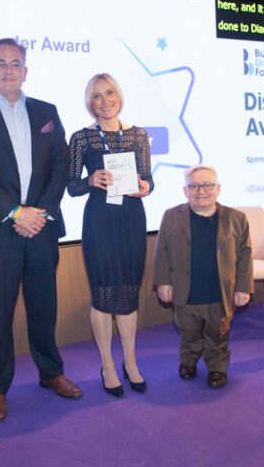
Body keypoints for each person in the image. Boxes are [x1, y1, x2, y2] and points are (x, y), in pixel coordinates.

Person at [0, 38, 82, 423]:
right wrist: (14, 212)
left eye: (15, 63)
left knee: (44, 307)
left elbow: (61, 165)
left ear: (25, 70)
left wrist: (38, 212)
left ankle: (51, 372)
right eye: (0, 63)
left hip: (41, 226)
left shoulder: (47, 111)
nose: (9, 70)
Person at [67, 73, 153, 397]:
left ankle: (131, 361)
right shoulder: (81, 139)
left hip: (131, 220)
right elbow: (71, 185)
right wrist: (90, 181)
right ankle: (107, 364)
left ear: (118, 95)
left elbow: (147, 178)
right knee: (104, 294)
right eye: (97, 96)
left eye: (109, 93)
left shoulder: (139, 135)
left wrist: (145, 187)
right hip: (99, 224)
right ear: (90, 103)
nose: (105, 100)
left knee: (129, 293)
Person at [153, 164, 252, 388]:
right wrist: (163, 283)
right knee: (189, 331)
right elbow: (162, 251)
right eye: (194, 186)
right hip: (185, 290)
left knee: (218, 333)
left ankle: (217, 368)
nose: (201, 191)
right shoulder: (171, 216)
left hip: (219, 291)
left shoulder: (237, 218)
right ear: (185, 190)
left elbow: (245, 255)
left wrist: (243, 287)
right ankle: (188, 361)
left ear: (218, 188)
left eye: (207, 185)